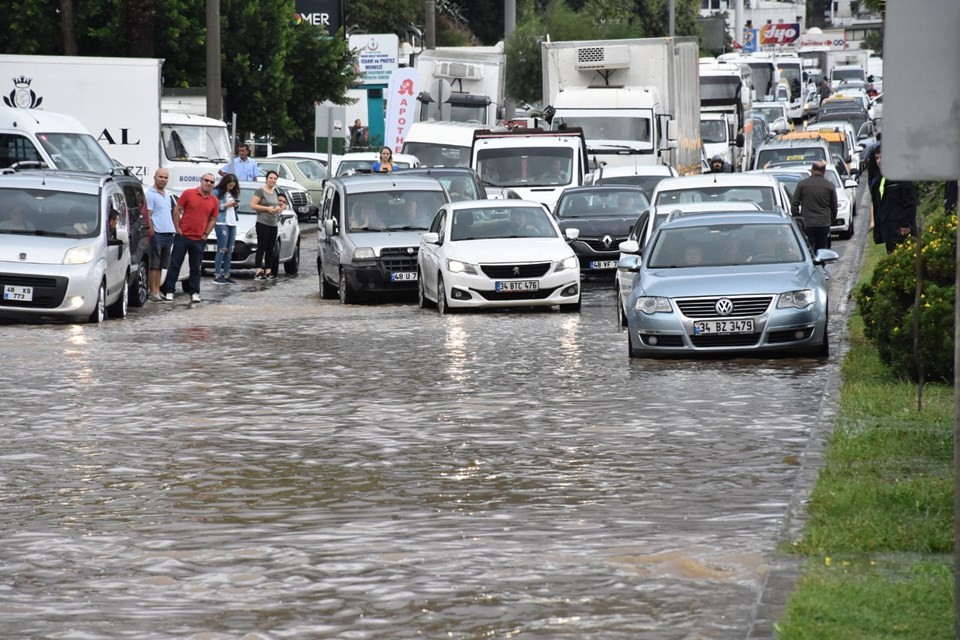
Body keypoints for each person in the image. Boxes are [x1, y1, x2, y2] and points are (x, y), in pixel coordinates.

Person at [159, 172, 220, 303]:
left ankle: (195, 292)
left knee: (196, 267)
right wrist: (177, 227)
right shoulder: (189, 193)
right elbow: (177, 209)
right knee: (175, 264)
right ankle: (169, 291)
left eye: (211, 182)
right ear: (201, 180)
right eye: (206, 180)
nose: (208, 184)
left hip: (199, 239)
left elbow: (213, 218)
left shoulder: (214, 200)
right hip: (183, 236)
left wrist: (206, 234)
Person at [870, 147, 918, 254]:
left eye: (882, 157)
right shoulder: (879, 179)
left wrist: (905, 224)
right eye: (877, 158)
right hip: (888, 230)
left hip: (902, 229)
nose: (879, 161)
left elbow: (910, 201)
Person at [791, 160, 838, 252]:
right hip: (823, 223)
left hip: (807, 223)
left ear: (812, 170)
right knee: (821, 248)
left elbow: (794, 203)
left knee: (808, 248)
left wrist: (797, 217)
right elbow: (834, 207)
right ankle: (820, 264)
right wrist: (831, 219)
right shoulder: (830, 186)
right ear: (824, 172)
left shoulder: (802, 185)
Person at [145, 169, 175, 302]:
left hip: (168, 232)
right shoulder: (150, 194)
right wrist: (151, 229)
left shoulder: (167, 195)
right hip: (157, 233)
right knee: (154, 264)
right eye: (161, 177)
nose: (163, 179)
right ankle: (153, 291)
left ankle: (158, 289)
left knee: (162, 265)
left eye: (165, 177)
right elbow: (148, 214)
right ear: (155, 177)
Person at [250, 170, 283, 280]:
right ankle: (258, 271)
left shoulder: (275, 192)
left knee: (271, 248)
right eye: (271, 178)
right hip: (262, 222)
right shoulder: (260, 191)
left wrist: (278, 208)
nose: (272, 180)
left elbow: (279, 205)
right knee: (262, 247)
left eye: (275, 178)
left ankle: (268, 271)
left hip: (273, 223)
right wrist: (267, 209)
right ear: (266, 179)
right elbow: (253, 205)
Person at [212, 173, 240, 285]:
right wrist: (224, 205)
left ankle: (227, 274)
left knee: (229, 250)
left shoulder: (232, 193)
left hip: (232, 222)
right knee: (222, 249)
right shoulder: (217, 192)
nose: (231, 187)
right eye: (229, 185)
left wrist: (235, 205)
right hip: (221, 222)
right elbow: (213, 206)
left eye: (233, 185)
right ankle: (217, 274)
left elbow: (233, 206)